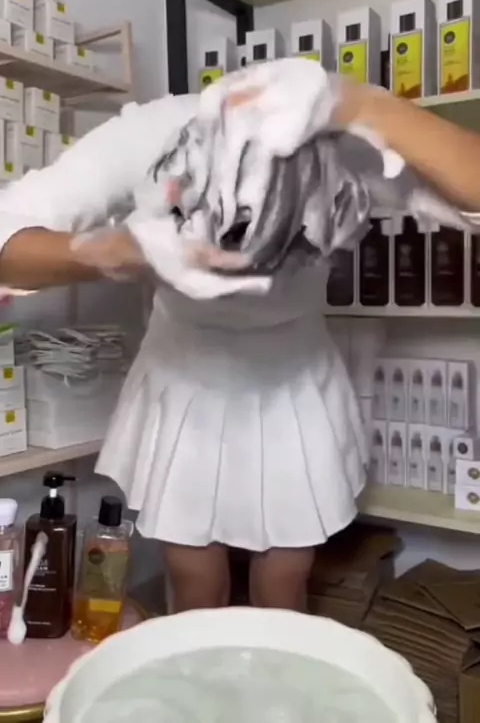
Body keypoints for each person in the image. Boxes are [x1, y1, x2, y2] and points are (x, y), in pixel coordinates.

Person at [1, 80, 479, 613]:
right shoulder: (153, 133)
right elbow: (7, 234)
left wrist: (364, 104)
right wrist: (121, 249)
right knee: (195, 581)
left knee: (284, 582)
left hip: (294, 384)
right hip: (184, 383)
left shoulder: (337, 137)